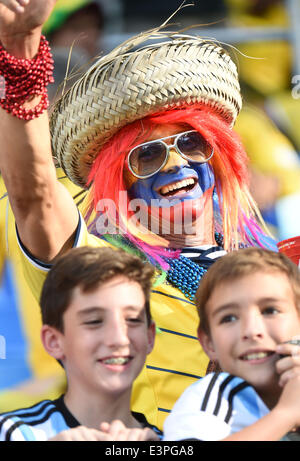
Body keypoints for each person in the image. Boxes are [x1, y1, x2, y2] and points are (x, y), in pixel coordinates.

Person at [0, 0, 276, 430]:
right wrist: (20, 51)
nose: (176, 165)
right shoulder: (105, 271)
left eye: (192, 143)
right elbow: (33, 197)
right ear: (118, 181)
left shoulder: (271, 262)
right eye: (146, 156)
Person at [0, 246, 160, 441]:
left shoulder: (171, 439)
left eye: (133, 319)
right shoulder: (11, 433)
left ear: (150, 336)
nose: (118, 338)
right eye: (94, 321)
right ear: (54, 341)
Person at [163, 248, 300, 441]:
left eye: (270, 310)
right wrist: (286, 414)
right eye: (229, 318)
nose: (252, 331)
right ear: (209, 343)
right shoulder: (211, 399)